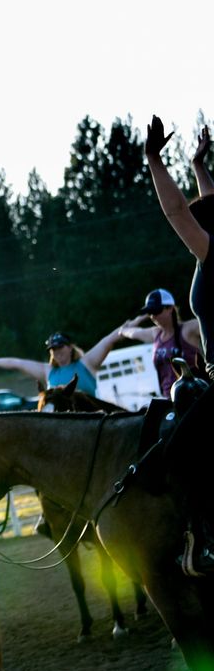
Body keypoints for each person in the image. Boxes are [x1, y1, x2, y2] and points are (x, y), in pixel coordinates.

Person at [144, 117, 214, 575]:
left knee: (177, 448)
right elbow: (205, 202)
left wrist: (154, 162)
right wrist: (196, 165)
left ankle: (205, 540)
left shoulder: (213, 252)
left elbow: (177, 213)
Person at [0, 327, 126, 396]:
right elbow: (17, 363)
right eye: (53, 349)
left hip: (91, 422)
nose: (57, 351)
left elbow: (109, 339)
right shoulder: (48, 371)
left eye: (60, 347)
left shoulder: (86, 363)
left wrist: (132, 325)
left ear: (70, 348)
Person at [117, 288, 207, 396]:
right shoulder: (155, 334)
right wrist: (139, 319)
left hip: (193, 397)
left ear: (170, 308)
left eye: (156, 311)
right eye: (149, 313)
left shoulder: (188, 329)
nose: (153, 316)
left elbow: (208, 320)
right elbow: (127, 331)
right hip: (168, 399)